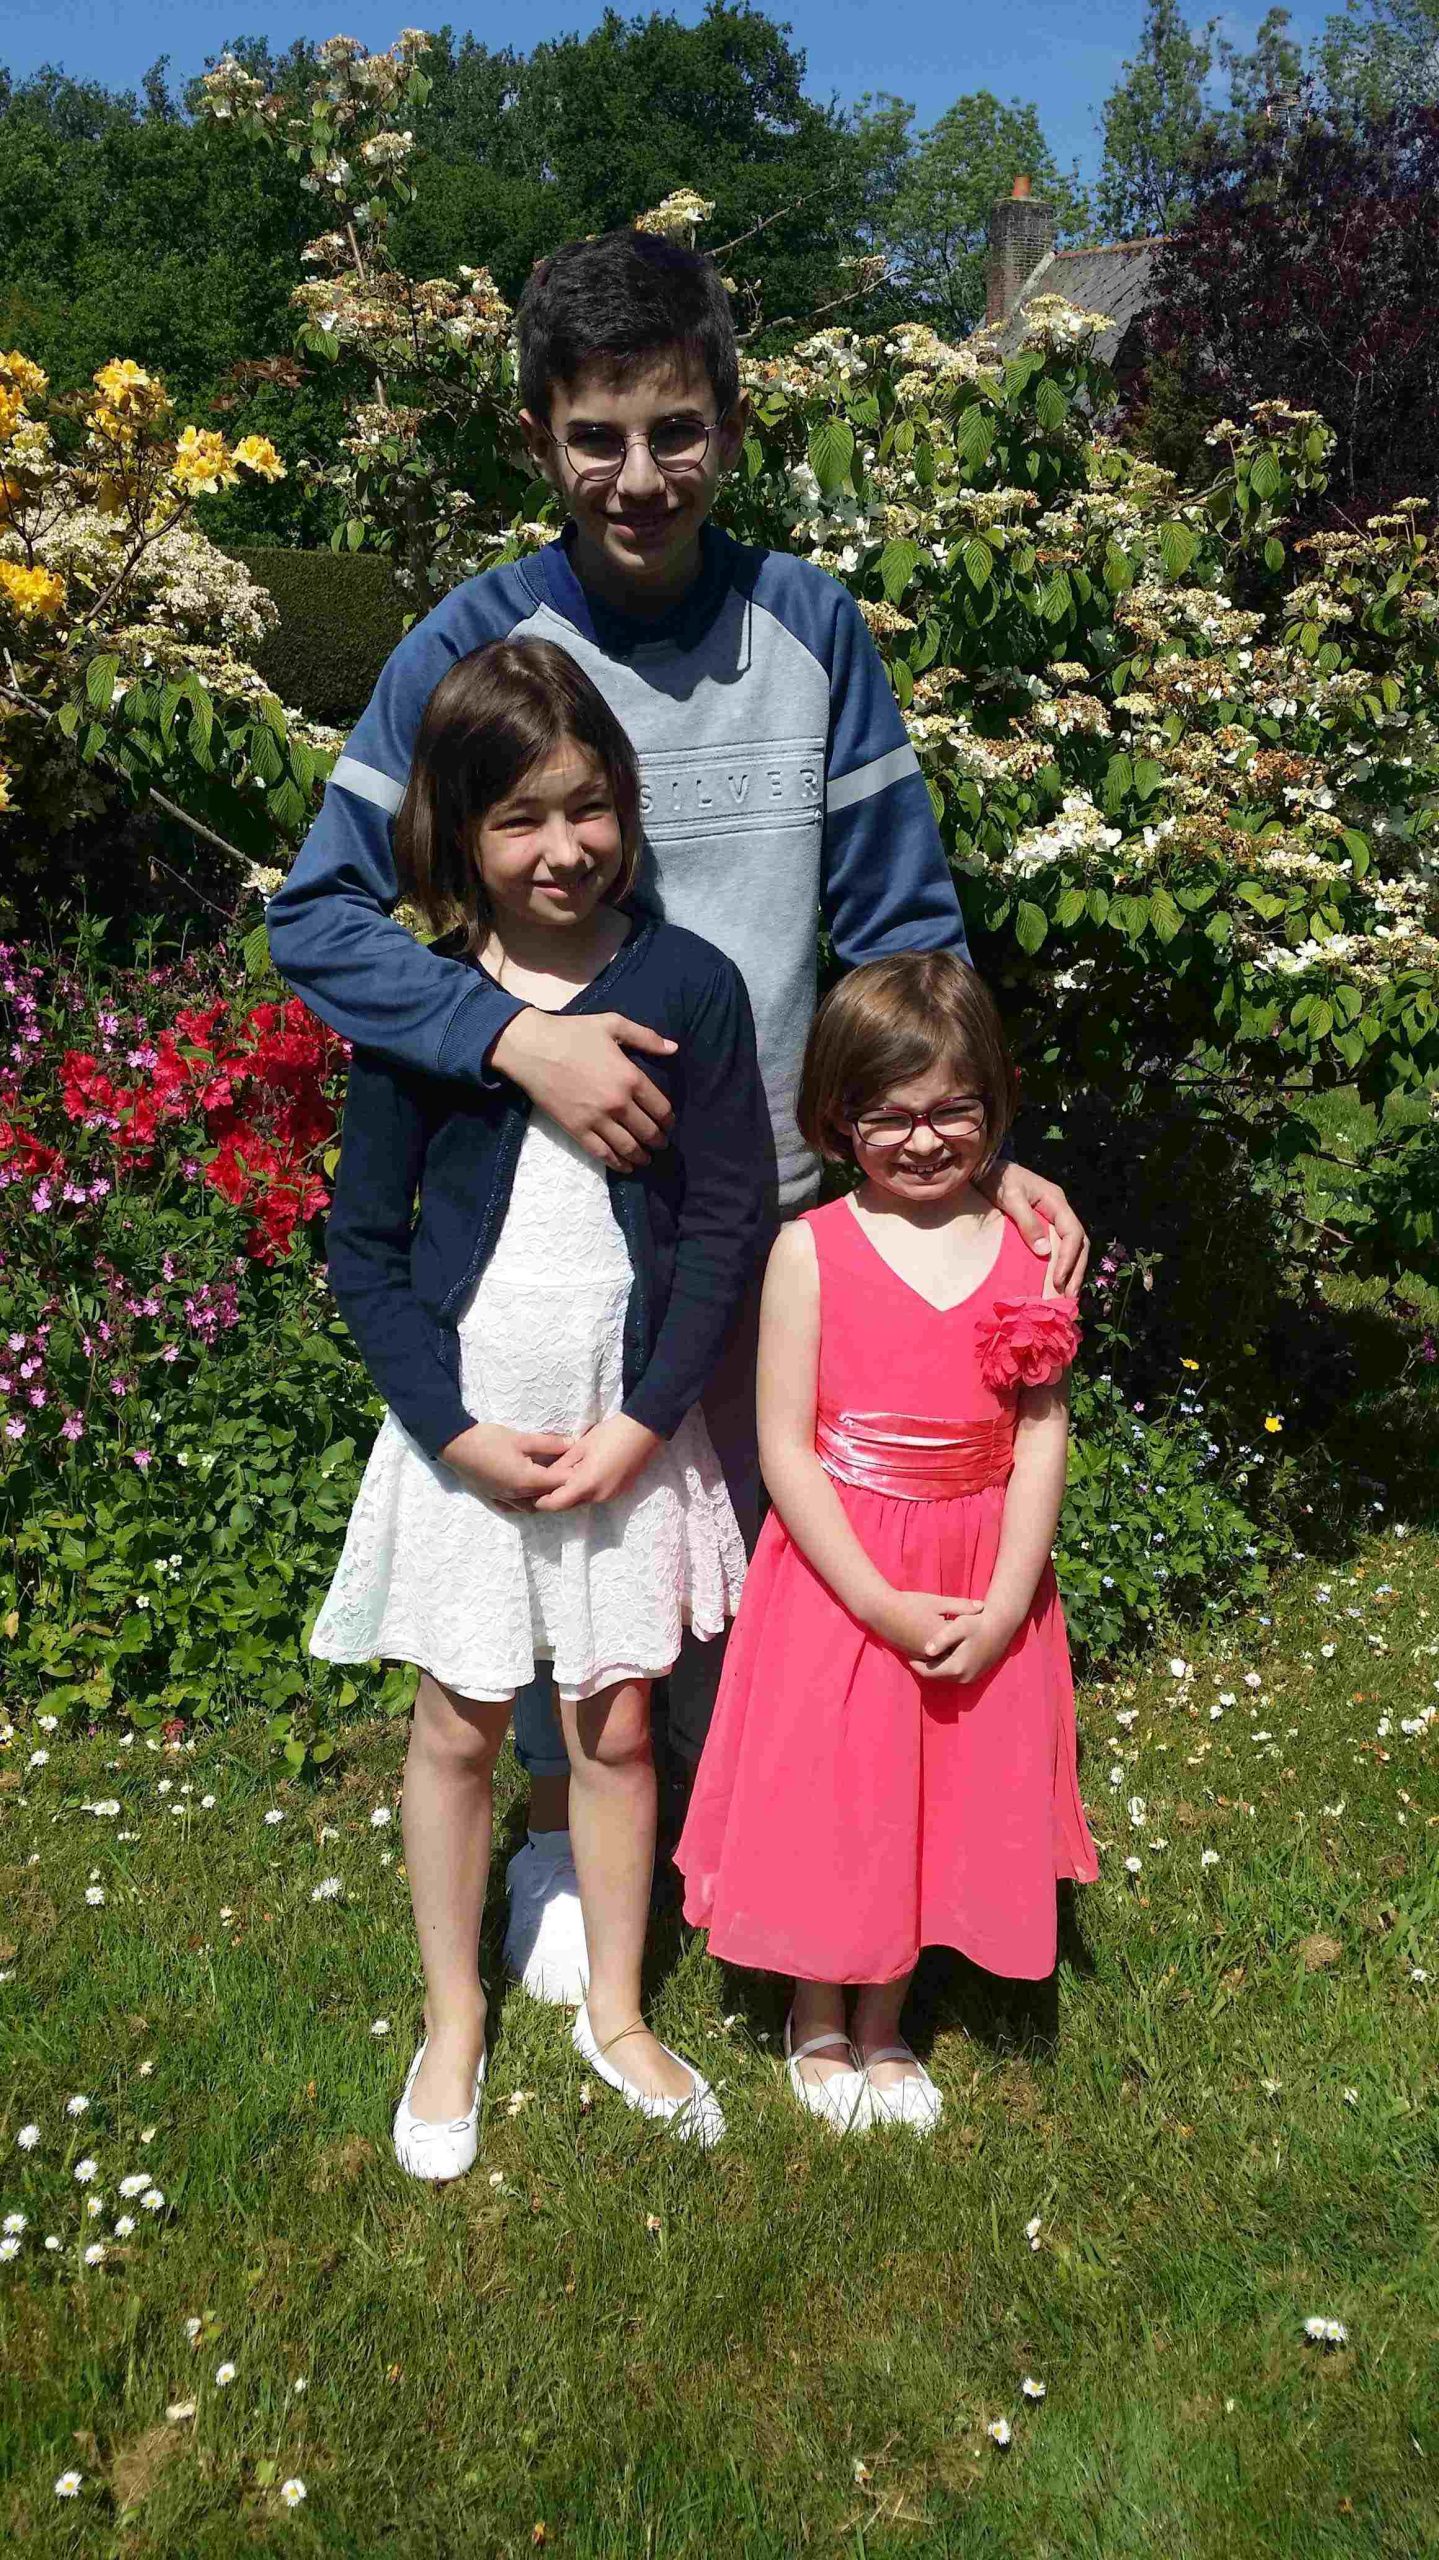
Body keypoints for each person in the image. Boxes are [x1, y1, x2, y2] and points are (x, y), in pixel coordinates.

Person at [268, 224, 1089, 2004]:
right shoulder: (469, 643)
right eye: (595, 437)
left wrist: (978, 1150)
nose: (636, 476)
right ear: (536, 440)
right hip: (553, 1235)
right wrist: (510, 1037)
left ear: (729, 421)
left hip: (780, 1215)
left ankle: (764, 1861)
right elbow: (317, 916)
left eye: (673, 430)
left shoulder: (809, 629)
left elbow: (901, 927)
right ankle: (558, 1853)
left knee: (746, 1575)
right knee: (564, 1549)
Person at [310, 638, 769, 2173]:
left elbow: (726, 1222)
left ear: (623, 806)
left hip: (624, 1423)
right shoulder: (427, 1007)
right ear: (459, 832)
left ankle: (617, 2011)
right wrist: (449, 1432)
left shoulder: (691, 987)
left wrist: (645, 1421)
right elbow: (363, 1248)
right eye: (518, 818)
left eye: (585, 808)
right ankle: (452, 2020)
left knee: (618, 1724)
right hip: (471, 1430)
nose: (560, 847)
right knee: (456, 1726)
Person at [676, 953, 1099, 2136]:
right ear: (836, 1116)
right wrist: (872, 1599)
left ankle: (885, 2020)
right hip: (842, 1578)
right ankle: (815, 2012)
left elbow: (1040, 1435)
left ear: (994, 1105)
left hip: (977, 1569)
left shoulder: (1027, 1251)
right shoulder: (809, 1250)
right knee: (841, 1790)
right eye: (887, 1116)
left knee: (934, 1790)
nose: (921, 1140)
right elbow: (784, 1447)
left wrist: (1007, 1599)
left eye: (951, 1111)